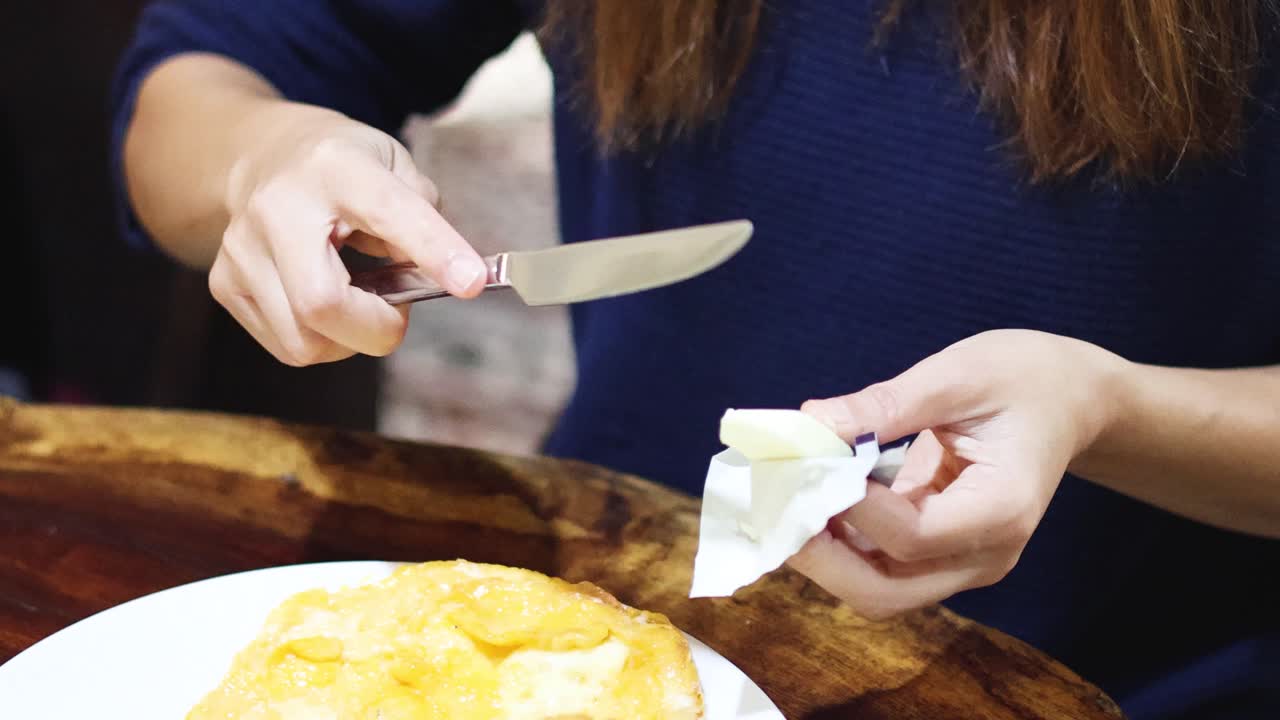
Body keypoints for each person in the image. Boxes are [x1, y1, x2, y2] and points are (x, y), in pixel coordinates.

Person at [111, 2, 1279, 717]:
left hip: (1123, 680)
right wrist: (262, 159)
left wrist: (1107, 408)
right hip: (609, 613)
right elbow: (192, 83)